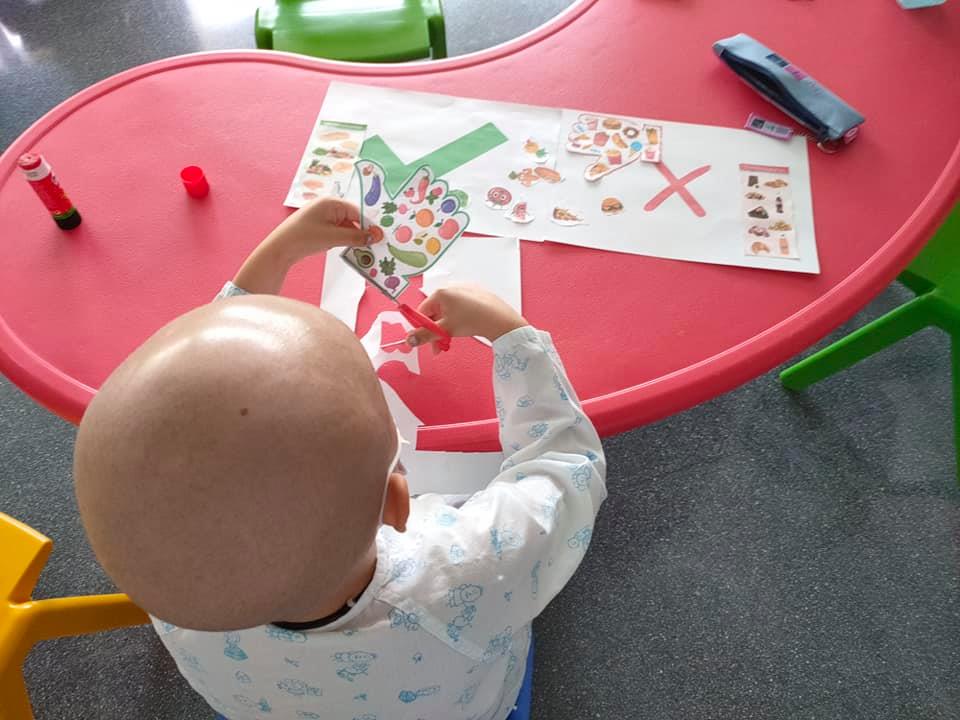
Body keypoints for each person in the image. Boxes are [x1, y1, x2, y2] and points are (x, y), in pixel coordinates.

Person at [74, 198, 607, 720]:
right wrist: (510, 334)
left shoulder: (176, 585)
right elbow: (565, 467)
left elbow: (201, 398)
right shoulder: (469, 572)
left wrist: (277, 254)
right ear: (397, 502)